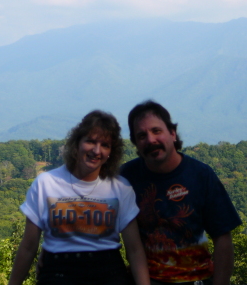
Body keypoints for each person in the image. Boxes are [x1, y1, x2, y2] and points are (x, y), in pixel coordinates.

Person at [8, 110, 150, 285]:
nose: (96, 150)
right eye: (90, 141)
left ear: (111, 152)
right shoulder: (46, 183)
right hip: (57, 273)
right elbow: (29, 246)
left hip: (108, 273)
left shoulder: (120, 187)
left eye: (105, 145)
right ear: (77, 143)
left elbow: (134, 249)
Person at [120, 100, 242, 285]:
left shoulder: (200, 175)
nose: (151, 140)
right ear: (136, 144)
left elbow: (223, 238)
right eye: (142, 135)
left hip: (196, 279)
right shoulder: (126, 178)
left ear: (172, 133)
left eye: (156, 131)